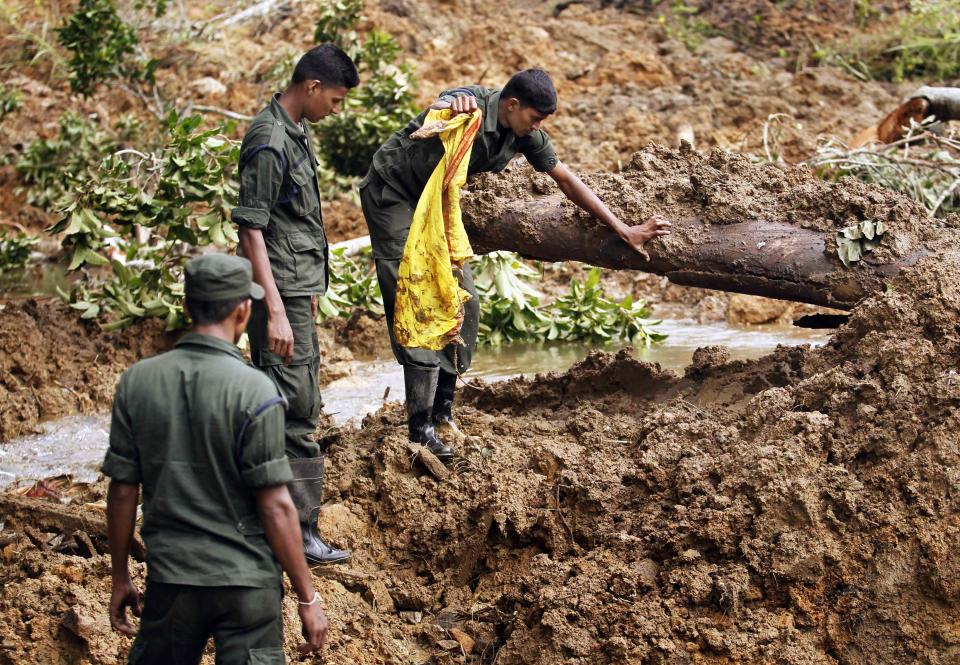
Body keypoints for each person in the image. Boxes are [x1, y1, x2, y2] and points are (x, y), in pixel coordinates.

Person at [360, 68, 672, 462]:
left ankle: (442, 414)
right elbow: (445, 101)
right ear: (512, 105)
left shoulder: (522, 131)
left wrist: (623, 228)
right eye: (535, 118)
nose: (537, 127)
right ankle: (419, 432)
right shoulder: (470, 104)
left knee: (465, 302)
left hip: (437, 204)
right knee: (421, 301)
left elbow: (565, 179)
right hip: (393, 194)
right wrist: (449, 103)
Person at [103, 253, 328, 664]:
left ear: (186, 307)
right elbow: (276, 505)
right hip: (248, 590)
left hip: (172, 582)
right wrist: (306, 596)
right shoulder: (256, 390)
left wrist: (119, 578)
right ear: (244, 310)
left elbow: (122, 492)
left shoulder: (137, 382)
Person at [232, 44, 360, 565]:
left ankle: (271, 522)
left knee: (292, 402)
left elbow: (292, 225)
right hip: (278, 295)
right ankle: (298, 531)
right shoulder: (268, 140)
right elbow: (252, 228)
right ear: (310, 87)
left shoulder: (294, 131)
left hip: (293, 290)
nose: (337, 111)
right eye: (334, 99)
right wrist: (277, 307)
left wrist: (300, 298)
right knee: (296, 412)